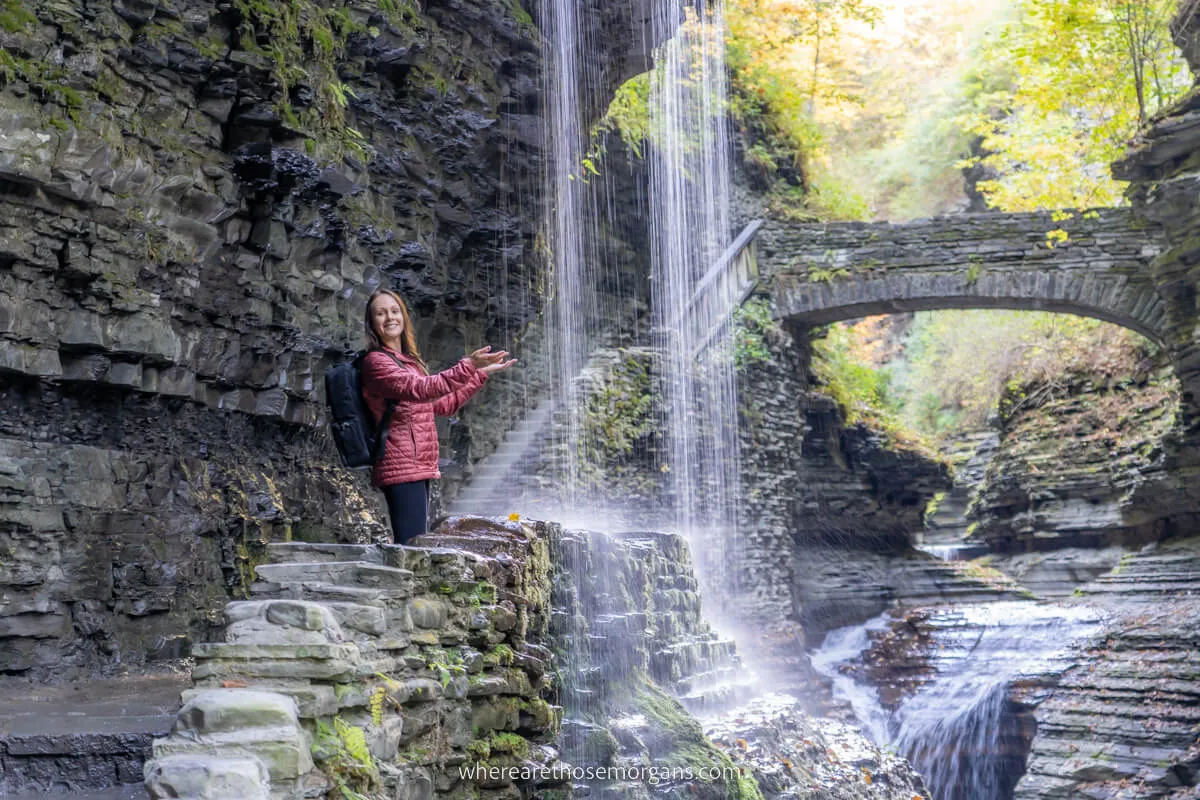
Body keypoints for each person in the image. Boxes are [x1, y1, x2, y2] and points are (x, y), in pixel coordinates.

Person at [360, 288, 515, 544]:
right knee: (412, 544)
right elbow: (422, 389)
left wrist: (481, 373)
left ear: (404, 316)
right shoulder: (377, 362)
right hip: (401, 465)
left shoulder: (407, 362)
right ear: (372, 322)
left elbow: (444, 404)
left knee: (415, 544)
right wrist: (469, 365)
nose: (389, 317)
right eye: (381, 313)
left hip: (418, 465)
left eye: (394, 311)